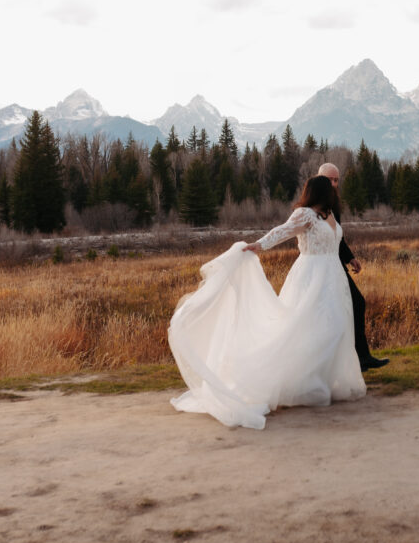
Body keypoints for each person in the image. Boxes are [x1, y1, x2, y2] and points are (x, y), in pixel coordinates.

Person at [167, 175, 366, 429]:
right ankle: (305, 385)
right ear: (320, 192)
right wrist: (259, 245)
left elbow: (336, 242)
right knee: (311, 330)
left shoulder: (329, 215)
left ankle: (322, 382)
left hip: (333, 277)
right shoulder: (304, 215)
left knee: (337, 328)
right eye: (330, 188)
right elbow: (281, 232)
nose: (335, 191)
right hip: (311, 276)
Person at [317, 163, 389, 371]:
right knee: (330, 312)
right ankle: (335, 362)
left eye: (336, 180)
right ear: (318, 179)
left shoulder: (332, 204)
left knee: (356, 304)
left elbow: (336, 238)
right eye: (329, 179)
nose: (333, 183)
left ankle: (361, 357)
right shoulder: (312, 207)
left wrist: (350, 258)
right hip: (320, 269)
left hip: (336, 265)